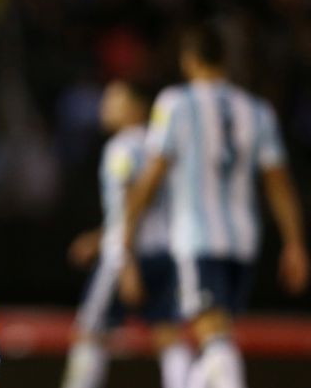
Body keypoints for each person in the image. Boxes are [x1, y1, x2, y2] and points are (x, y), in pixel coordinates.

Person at [120, 23, 309, 388]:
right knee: (216, 337)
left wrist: (126, 232)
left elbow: (152, 174)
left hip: (196, 237)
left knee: (213, 336)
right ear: (226, 60)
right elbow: (279, 185)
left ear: (188, 60)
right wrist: (295, 243)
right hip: (243, 241)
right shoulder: (258, 111)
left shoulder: (175, 104)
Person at [61, 80, 191, 388]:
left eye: (114, 100)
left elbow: (130, 201)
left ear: (136, 107)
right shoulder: (159, 148)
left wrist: (126, 259)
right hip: (165, 251)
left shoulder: (120, 148)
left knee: (89, 332)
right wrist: (97, 237)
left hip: (125, 254)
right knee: (168, 335)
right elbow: (139, 206)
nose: (105, 107)